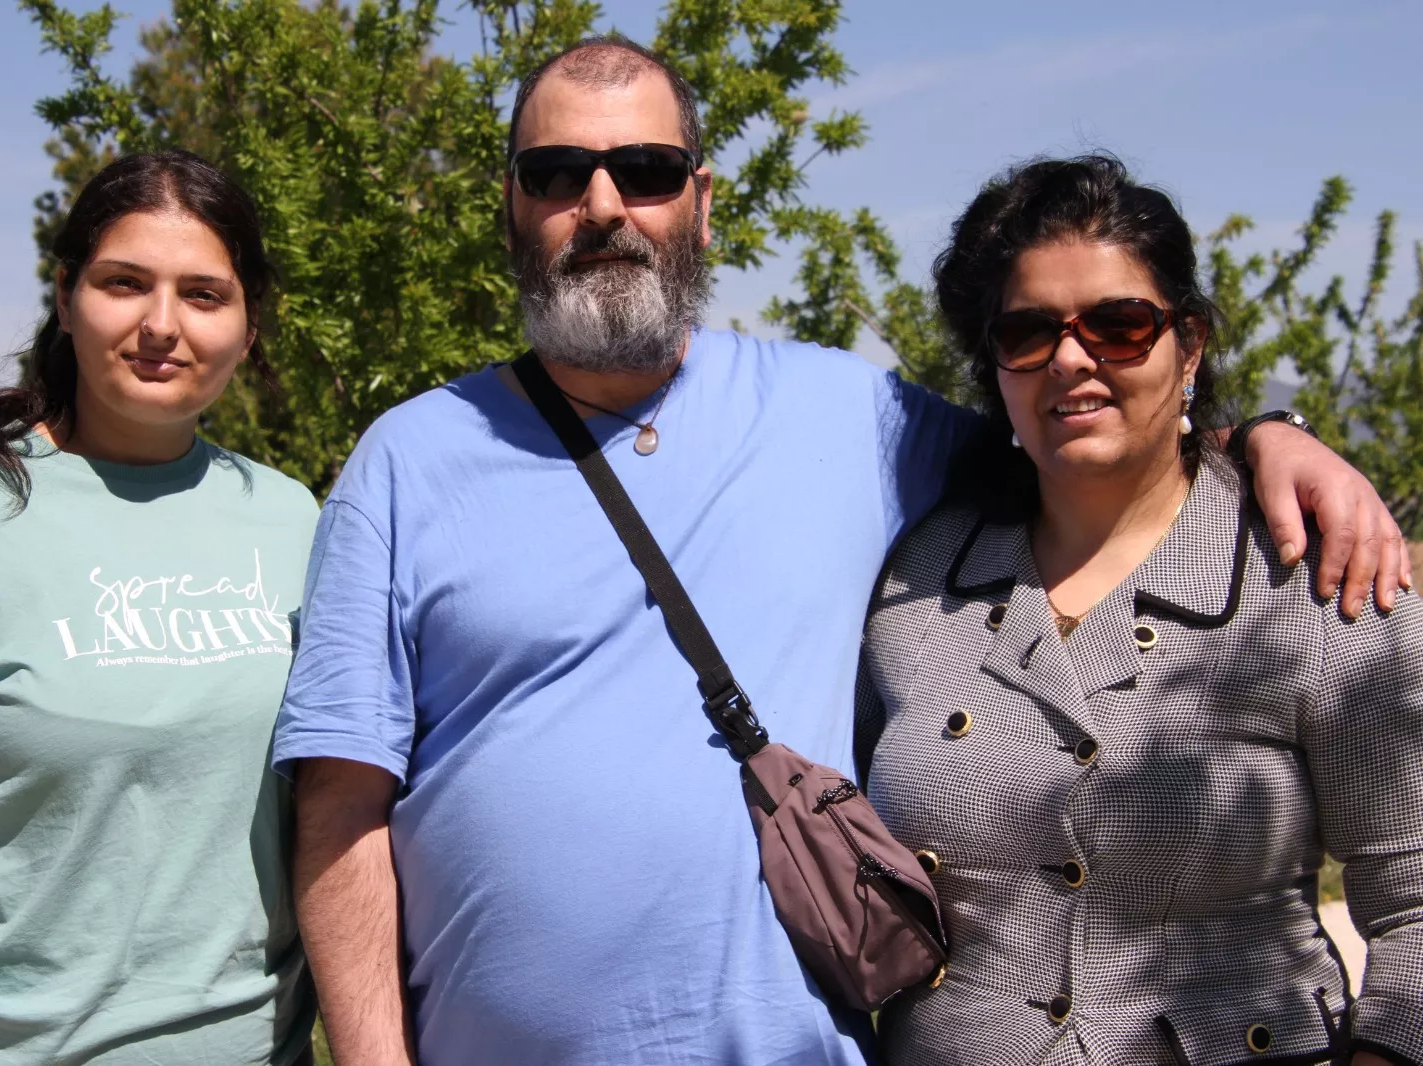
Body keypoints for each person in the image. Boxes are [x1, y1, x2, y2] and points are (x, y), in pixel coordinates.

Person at [271, 36, 1408, 1066]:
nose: (603, 204)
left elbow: (1089, 437)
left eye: (648, 172)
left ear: (702, 204)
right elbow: (338, 804)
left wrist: (1263, 440)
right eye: (557, 173)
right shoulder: (407, 461)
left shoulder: (853, 419)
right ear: (512, 205)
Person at [859, 155, 1421, 1066]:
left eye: (1120, 325)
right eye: (1029, 333)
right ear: (994, 365)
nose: (1072, 359)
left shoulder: (1310, 573)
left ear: (1189, 344)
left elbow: (1418, 905)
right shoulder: (911, 585)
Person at [0, 151, 318, 1065]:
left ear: (249, 328)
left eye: (205, 295)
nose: (161, 325)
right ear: (65, 294)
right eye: (125, 283)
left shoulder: (293, 520)